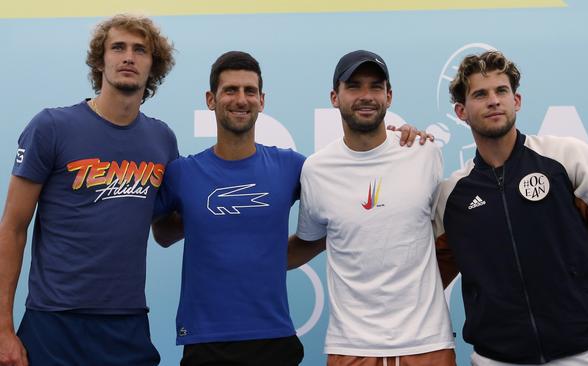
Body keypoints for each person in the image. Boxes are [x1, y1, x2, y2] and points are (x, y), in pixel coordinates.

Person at [151, 51, 429, 366]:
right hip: (204, 341)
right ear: (211, 99)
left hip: (274, 340)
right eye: (230, 90)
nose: (241, 99)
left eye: (249, 91)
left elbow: (352, 182)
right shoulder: (183, 173)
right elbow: (162, 234)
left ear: (262, 100)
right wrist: (206, 218)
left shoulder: (293, 167)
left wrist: (397, 143)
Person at [434, 50, 588, 365]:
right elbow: (425, 282)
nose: (494, 100)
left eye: (502, 91)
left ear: (516, 101)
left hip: (582, 354)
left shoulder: (568, 158)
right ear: (461, 111)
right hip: (494, 359)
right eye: (480, 94)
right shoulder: (452, 194)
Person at [0, 14, 177, 366]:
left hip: (127, 323)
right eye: (118, 47)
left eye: (140, 50)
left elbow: (166, 229)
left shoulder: (162, 140)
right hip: (55, 321)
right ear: (100, 60)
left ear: (153, 65)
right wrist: (3, 327)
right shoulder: (52, 127)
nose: (129, 57)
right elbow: (13, 228)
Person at [288, 50, 456, 366]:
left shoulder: (425, 152)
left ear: (389, 96)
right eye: (354, 86)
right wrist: (242, 260)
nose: (366, 96)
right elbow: (311, 241)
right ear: (334, 96)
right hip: (351, 346)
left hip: (427, 343)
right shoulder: (316, 169)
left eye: (375, 86)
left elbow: (441, 234)